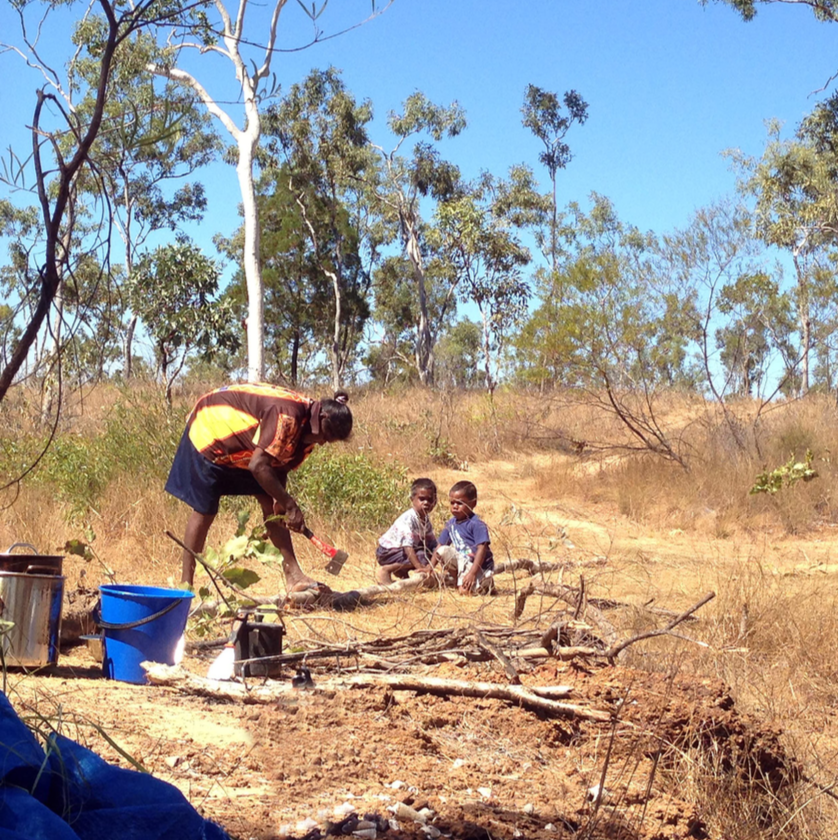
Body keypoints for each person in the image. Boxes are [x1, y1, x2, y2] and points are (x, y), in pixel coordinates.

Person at [165, 383, 352, 591]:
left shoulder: (310, 434)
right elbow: (258, 465)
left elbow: (279, 466)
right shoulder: (287, 416)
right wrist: (290, 505)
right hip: (210, 429)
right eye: (326, 437)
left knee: (270, 504)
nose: (323, 443)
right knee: (205, 509)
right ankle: (185, 587)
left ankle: (294, 576)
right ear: (323, 419)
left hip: (248, 448)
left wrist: (280, 503)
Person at [432, 480, 494, 595]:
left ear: (473, 504)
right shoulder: (451, 524)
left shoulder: (476, 524)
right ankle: (459, 580)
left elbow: (482, 549)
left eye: (460, 503)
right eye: (452, 503)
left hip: (476, 565)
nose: (455, 507)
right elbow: (440, 546)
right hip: (462, 560)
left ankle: (484, 580)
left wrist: (472, 573)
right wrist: (429, 568)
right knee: (441, 551)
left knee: (465, 592)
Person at [375, 478, 438, 585]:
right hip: (387, 552)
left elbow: (433, 544)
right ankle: (386, 570)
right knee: (422, 556)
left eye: (430, 500)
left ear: (435, 501)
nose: (426, 503)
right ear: (412, 499)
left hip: (399, 552)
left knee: (429, 553)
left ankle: (402, 573)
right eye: (421, 499)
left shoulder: (425, 520)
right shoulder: (408, 518)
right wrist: (420, 567)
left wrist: (432, 564)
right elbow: (407, 547)